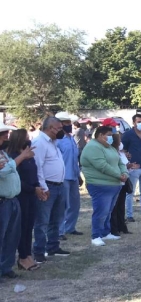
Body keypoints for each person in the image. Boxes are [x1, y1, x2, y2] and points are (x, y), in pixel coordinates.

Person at [31, 117, 72, 263]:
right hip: (48, 186)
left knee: (56, 219)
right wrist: (43, 187)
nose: (61, 131)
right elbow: (38, 167)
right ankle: (39, 251)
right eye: (59, 128)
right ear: (50, 128)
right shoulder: (40, 143)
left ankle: (53, 246)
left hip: (59, 185)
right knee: (42, 221)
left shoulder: (53, 142)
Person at [81, 126, 129, 246]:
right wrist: (119, 175)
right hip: (99, 184)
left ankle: (105, 232)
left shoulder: (109, 147)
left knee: (108, 211)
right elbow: (102, 166)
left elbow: (119, 162)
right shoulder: (93, 147)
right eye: (108, 134)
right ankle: (96, 235)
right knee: (101, 211)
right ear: (101, 135)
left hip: (114, 184)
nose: (111, 137)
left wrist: (125, 173)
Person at [1, 124, 36, 278]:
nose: (6, 137)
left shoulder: (3, 153)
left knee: (11, 236)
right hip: (3, 201)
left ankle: (6, 268)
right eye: (3, 134)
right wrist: (21, 158)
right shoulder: (10, 154)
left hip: (12, 199)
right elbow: (3, 171)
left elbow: (9, 168)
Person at [7, 129, 42, 271]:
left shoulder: (29, 154)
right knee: (22, 227)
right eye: (26, 137)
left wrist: (38, 188)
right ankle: (22, 257)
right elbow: (18, 179)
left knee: (29, 226)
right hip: (21, 195)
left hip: (31, 195)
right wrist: (33, 189)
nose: (29, 139)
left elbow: (34, 173)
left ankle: (28, 254)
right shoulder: (14, 157)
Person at [55, 112, 84, 240]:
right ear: (60, 124)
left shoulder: (71, 138)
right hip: (63, 177)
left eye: (69, 123)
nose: (69, 125)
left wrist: (78, 175)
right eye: (66, 123)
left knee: (75, 204)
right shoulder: (58, 140)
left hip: (73, 175)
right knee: (63, 205)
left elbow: (74, 159)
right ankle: (60, 231)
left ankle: (70, 227)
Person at [110, 130, 138, 237]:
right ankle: (114, 228)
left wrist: (129, 166)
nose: (121, 142)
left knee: (121, 206)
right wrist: (128, 167)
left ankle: (122, 226)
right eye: (119, 140)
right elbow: (116, 166)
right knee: (115, 206)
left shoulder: (121, 153)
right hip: (116, 181)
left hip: (124, 182)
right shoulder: (113, 153)